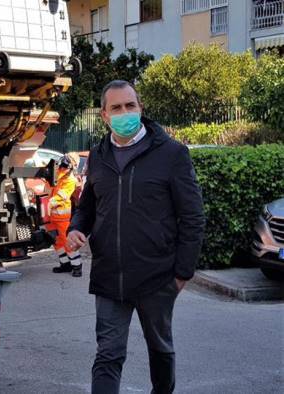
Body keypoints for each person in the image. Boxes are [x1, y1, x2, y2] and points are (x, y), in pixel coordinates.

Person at [66, 80, 205, 394]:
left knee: (160, 350)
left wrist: (183, 272)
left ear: (141, 108)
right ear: (104, 115)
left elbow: (193, 216)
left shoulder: (172, 154)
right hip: (109, 275)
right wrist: (76, 228)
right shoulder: (98, 156)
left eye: (130, 106)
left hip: (157, 276)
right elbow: (87, 206)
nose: (124, 112)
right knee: (108, 355)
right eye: (116, 108)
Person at [45, 154, 82, 277]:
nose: (62, 167)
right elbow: (47, 189)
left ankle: (77, 265)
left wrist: (47, 204)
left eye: (65, 165)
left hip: (62, 217)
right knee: (56, 241)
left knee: (67, 242)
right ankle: (65, 264)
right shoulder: (58, 175)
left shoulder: (70, 180)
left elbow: (62, 197)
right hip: (51, 217)